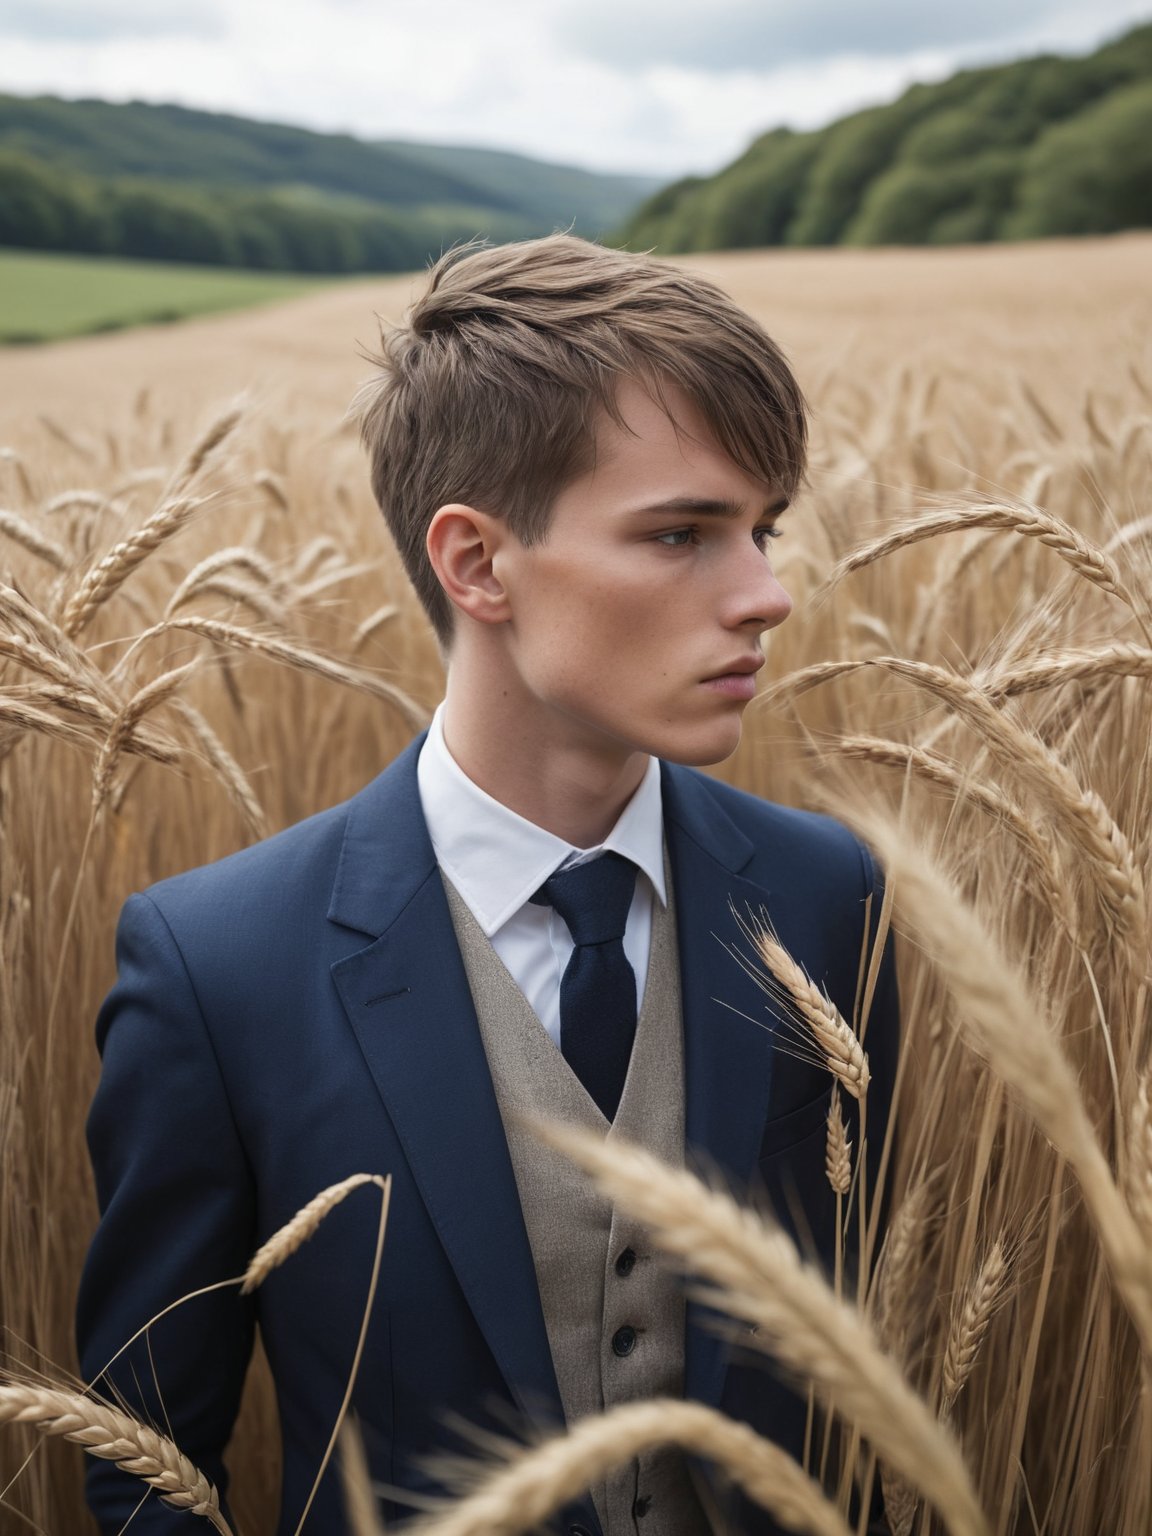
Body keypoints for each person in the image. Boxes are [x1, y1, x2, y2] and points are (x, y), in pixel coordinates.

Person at [77, 235, 899, 1535]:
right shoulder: (219, 967)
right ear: (476, 563)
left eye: (762, 530)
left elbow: (871, 1364)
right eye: (682, 533)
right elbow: (140, 1461)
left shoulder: (824, 895)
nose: (767, 594)